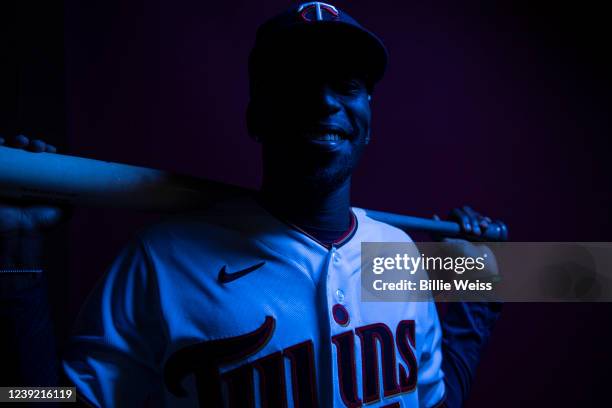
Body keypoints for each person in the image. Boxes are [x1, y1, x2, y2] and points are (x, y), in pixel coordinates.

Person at [0, 3, 503, 407]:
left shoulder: (401, 255)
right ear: (256, 116)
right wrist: (16, 264)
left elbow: (435, 399)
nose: (324, 101)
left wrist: (476, 291)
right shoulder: (161, 261)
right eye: (296, 83)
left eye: (346, 84)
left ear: (367, 120)